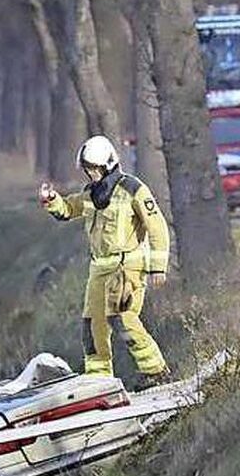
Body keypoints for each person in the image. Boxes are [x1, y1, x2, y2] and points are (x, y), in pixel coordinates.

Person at [40, 135, 171, 391]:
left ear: (107, 165)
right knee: (92, 325)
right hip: (99, 269)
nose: (90, 174)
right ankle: (99, 380)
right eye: (87, 169)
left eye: (93, 168)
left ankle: (155, 370)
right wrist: (52, 200)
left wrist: (158, 266)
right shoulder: (90, 194)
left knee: (122, 317)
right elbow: (68, 210)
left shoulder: (133, 189)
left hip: (127, 267)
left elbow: (158, 227)